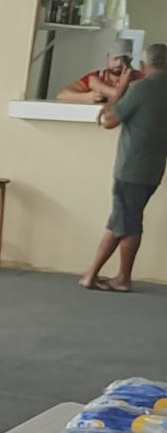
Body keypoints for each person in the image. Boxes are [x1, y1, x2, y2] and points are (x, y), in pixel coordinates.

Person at [80, 42, 167, 293]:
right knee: (126, 220)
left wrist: (120, 89)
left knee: (123, 222)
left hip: (131, 166)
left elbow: (109, 121)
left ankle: (108, 277)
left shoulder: (141, 89)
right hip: (154, 167)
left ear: (143, 65)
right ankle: (109, 276)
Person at [57, 52, 142, 104]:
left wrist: (100, 87)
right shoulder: (96, 76)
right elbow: (62, 95)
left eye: (124, 59)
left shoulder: (138, 77)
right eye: (115, 58)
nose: (119, 63)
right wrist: (86, 97)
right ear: (107, 58)